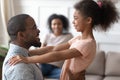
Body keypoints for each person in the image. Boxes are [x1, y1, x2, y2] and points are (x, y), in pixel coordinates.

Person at [8, 0, 119, 80]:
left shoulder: (87, 44)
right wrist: (28, 52)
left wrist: (27, 59)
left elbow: (58, 55)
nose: (73, 22)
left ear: (88, 20)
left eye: (76, 18)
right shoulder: (79, 38)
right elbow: (54, 48)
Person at [2, 14, 43, 80]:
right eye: (34, 28)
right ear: (21, 35)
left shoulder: (24, 55)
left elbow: (52, 50)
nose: (38, 31)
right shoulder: (19, 66)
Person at [41, 14, 73, 78]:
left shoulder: (69, 36)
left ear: (63, 25)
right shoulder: (47, 36)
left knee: (67, 75)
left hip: (57, 67)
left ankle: (44, 74)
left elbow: (71, 52)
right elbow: (41, 50)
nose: (56, 26)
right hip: (45, 64)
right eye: (54, 24)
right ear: (51, 25)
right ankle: (43, 74)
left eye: (59, 24)